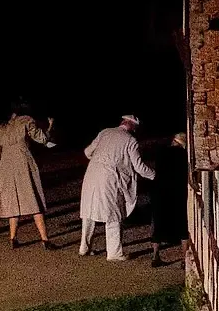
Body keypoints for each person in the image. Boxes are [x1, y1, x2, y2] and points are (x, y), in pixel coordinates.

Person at [79, 114, 156, 261]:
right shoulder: (130, 140)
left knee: (89, 212)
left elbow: (88, 152)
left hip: (92, 173)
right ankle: (114, 253)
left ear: (123, 122)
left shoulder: (105, 132)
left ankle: (84, 247)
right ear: (132, 126)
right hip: (110, 178)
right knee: (113, 214)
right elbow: (138, 166)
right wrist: (154, 175)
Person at [0, 103, 59, 248]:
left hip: (6, 165)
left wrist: (2, 161)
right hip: (23, 163)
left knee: (13, 201)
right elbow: (42, 139)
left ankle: (13, 238)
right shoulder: (26, 121)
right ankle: (45, 239)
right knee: (33, 199)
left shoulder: (2, 127)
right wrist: (50, 126)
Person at [149, 132, 190, 267]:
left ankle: (155, 255)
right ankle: (185, 258)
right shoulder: (184, 156)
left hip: (160, 190)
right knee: (182, 223)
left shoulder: (161, 153)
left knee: (158, 222)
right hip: (178, 191)